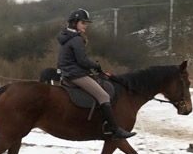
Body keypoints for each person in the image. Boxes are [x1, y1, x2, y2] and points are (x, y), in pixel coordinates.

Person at [58, 9, 135, 139]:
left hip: (69, 72)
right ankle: (115, 129)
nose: (85, 25)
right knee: (103, 96)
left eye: (86, 23)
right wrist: (96, 65)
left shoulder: (67, 37)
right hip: (76, 75)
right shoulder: (76, 39)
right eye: (83, 23)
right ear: (74, 22)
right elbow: (82, 61)